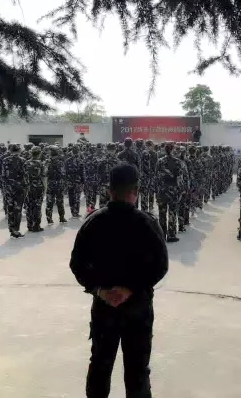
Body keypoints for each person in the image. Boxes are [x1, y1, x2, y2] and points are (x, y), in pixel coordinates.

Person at [70, 163, 169, 398]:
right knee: (137, 369)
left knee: (100, 365)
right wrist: (131, 289)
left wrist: (100, 290)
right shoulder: (147, 223)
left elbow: (77, 264)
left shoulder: (94, 222)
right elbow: (160, 266)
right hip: (138, 308)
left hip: (105, 307)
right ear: (136, 191)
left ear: (109, 190)